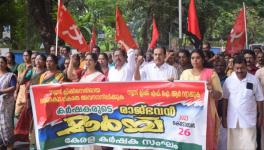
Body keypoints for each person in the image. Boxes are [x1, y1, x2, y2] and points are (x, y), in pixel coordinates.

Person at [180, 49, 222, 150]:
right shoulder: (185, 73)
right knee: (189, 140)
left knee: (205, 141)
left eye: (198, 58)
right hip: (188, 114)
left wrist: (212, 90)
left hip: (206, 115)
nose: (195, 60)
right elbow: (179, 92)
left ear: (203, 59)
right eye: (193, 58)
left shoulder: (211, 73)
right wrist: (172, 83)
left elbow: (219, 95)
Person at [222, 55, 264, 150]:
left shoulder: (254, 80)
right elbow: (225, 99)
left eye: (242, 68)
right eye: (237, 68)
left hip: (249, 119)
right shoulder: (228, 81)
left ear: (246, 67)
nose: (239, 70)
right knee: (233, 146)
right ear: (233, 67)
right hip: (233, 119)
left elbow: (260, 99)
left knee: (250, 145)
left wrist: (261, 116)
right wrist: (224, 117)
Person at [15, 54, 46, 145]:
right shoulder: (32, 71)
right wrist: (26, 71)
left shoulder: (46, 73)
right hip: (30, 99)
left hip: (41, 100)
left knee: (39, 120)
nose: (37, 61)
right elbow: (20, 82)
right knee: (28, 119)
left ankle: (38, 140)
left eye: (40, 59)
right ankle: (30, 140)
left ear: (44, 62)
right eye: (36, 59)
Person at [0, 56, 17, 150]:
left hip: (6, 104)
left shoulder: (10, 75)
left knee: (6, 124)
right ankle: (2, 143)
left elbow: (13, 87)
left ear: (6, 64)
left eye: (2, 62)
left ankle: (9, 144)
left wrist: (2, 91)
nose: (0, 64)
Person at [15, 50, 32, 117]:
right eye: (24, 55)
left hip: (30, 90)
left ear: (30, 56)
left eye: (27, 55)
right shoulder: (21, 66)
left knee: (28, 113)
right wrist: (16, 92)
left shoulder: (34, 66)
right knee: (17, 113)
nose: (25, 57)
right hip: (22, 90)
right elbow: (19, 80)